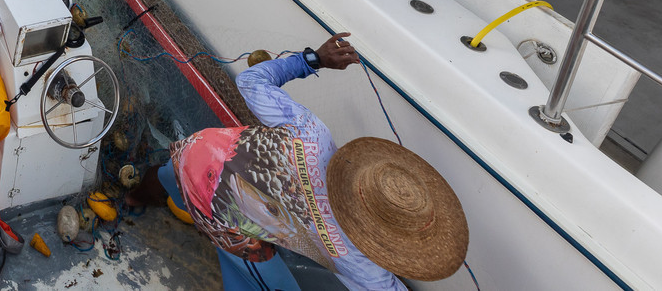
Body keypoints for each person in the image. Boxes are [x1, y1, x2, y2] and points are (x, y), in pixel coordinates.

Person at [130, 34, 468, 291]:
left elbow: (250, 81)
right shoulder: (354, 257)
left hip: (206, 148)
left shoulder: (314, 136)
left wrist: (314, 59)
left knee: (171, 174)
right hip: (218, 205)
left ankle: (136, 195)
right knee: (258, 275)